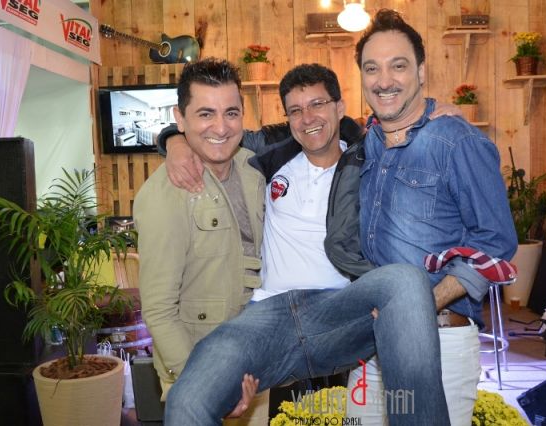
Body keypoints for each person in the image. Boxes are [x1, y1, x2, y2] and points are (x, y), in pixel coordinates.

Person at [163, 63, 451, 426]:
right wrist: (172, 141)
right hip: (266, 315)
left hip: (339, 310)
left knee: (406, 281)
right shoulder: (269, 156)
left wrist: (441, 117)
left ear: (340, 107)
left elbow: (418, 143)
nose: (308, 118)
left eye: (317, 104)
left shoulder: (371, 161)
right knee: (186, 401)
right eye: (296, 110)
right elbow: (212, 132)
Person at [350, 9, 518, 425]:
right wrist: (190, 146)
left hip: (439, 342)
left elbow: (496, 241)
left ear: (421, 72)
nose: (384, 80)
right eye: (372, 68)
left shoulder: (456, 141)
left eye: (398, 66)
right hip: (370, 347)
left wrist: (418, 304)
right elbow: (300, 131)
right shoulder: (366, 143)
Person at [133, 58, 269, 424]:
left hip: (253, 364)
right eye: (205, 114)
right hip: (196, 370)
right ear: (180, 119)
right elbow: (159, 309)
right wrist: (207, 384)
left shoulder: (254, 169)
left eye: (231, 113)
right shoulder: (165, 194)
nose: (221, 127)